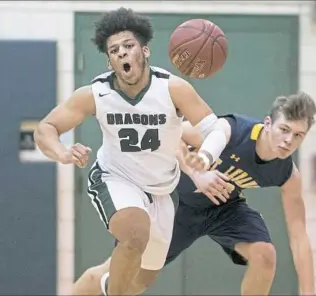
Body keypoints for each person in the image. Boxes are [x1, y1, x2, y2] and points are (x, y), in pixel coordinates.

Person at [34, 7, 230, 296]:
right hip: (115, 178)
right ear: (110, 60)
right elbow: (46, 128)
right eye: (114, 50)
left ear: (145, 51)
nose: (122, 53)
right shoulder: (95, 94)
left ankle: (95, 286)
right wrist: (62, 152)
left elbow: (217, 128)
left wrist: (205, 157)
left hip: (161, 191)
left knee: (141, 281)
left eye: (128, 46)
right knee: (135, 235)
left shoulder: (173, 89)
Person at [76, 92, 316, 296]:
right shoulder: (231, 130)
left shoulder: (287, 174)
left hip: (224, 208)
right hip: (175, 202)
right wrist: (196, 173)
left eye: (298, 135)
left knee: (265, 255)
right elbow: (169, 132)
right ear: (267, 124)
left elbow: (299, 238)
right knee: (127, 282)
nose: (288, 141)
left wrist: (309, 292)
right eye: (284, 129)